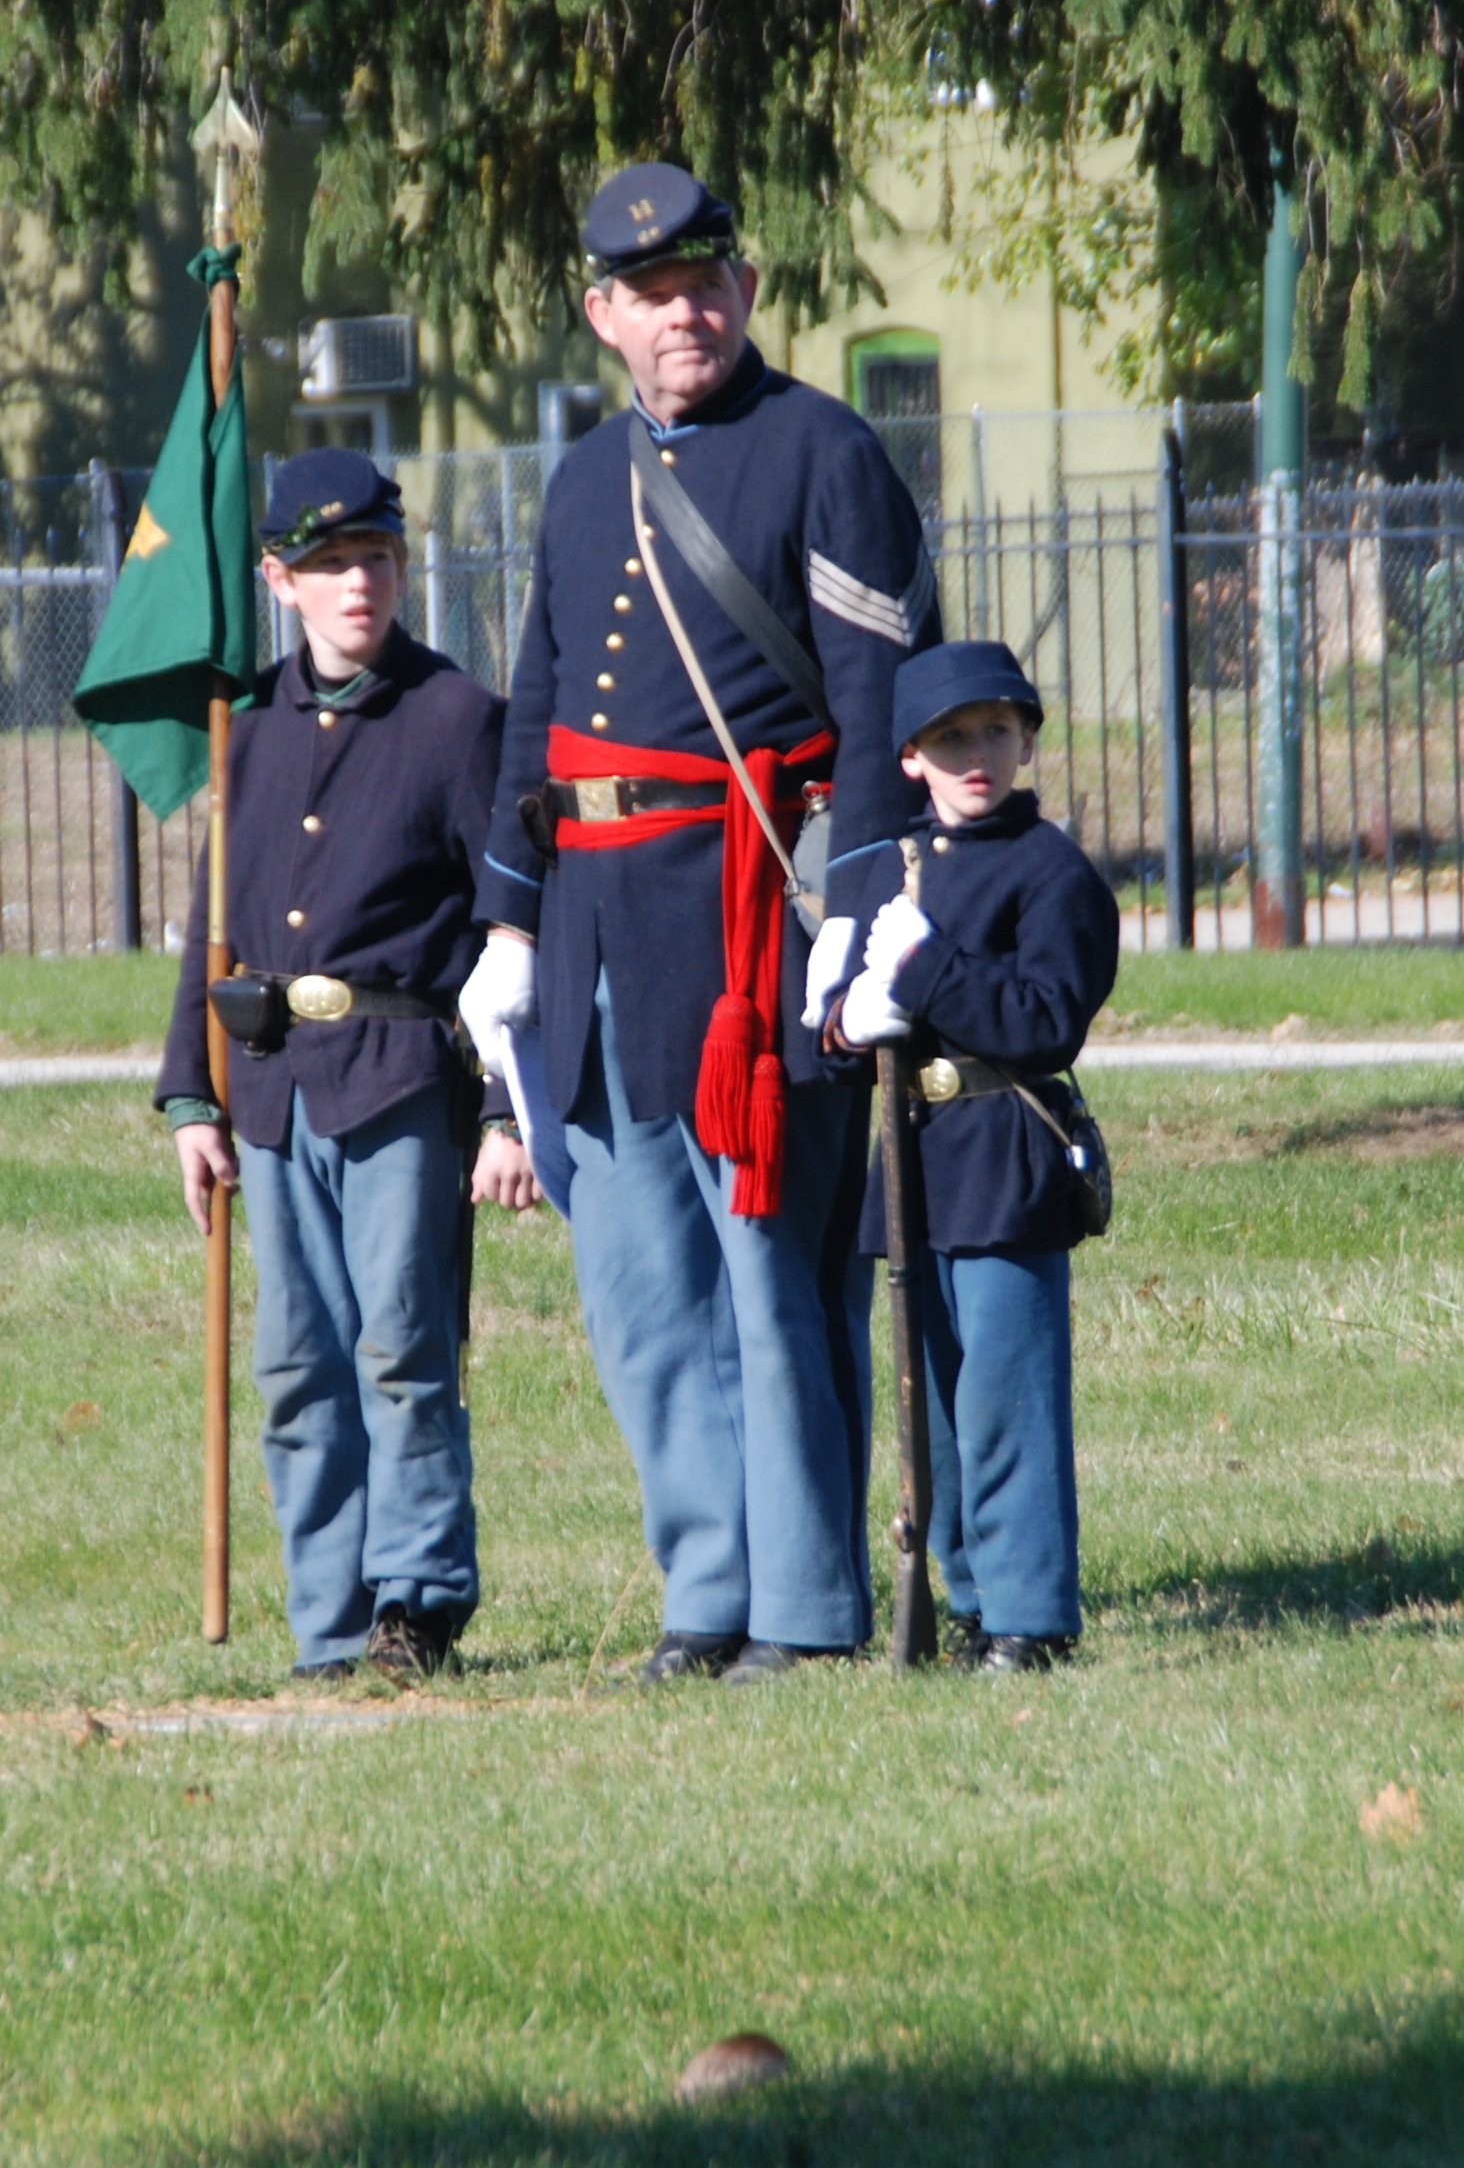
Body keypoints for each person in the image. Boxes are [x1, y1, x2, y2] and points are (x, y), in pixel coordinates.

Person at [458, 161, 941, 1686]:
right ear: (603, 313)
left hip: (751, 933)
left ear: (743, 288)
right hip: (599, 927)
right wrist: (512, 924)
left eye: (708, 282)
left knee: (768, 1282)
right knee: (643, 1294)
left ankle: (804, 1606)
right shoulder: (583, 479)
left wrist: (860, 916)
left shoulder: (825, 449)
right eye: (653, 293)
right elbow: (539, 705)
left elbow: (877, 712)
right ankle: (708, 1591)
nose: (688, 312)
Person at [158, 451, 539, 1686]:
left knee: (401, 1345)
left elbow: (507, 928)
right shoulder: (249, 733)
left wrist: (500, 1105)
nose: (356, 585)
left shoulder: (455, 719)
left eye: (374, 559)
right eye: (327, 566)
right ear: (279, 581)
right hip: (271, 1090)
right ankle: (326, 1620)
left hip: (399, 1081)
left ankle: (415, 1600)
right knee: (296, 1364)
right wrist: (190, 1094)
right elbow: (212, 928)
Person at [808, 642, 1118, 1671]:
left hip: (1005, 1156)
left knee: (1003, 1399)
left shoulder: (1051, 873)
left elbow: (1042, 1022)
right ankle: (969, 1595)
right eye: (948, 738)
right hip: (913, 1162)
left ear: (1027, 738)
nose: (974, 754)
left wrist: (925, 970)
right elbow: (845, 1046)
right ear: (909, 757)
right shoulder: (886, 871)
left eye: (994, 730)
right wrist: (845, 1022)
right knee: (932, 1405)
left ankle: (1031, 1613)